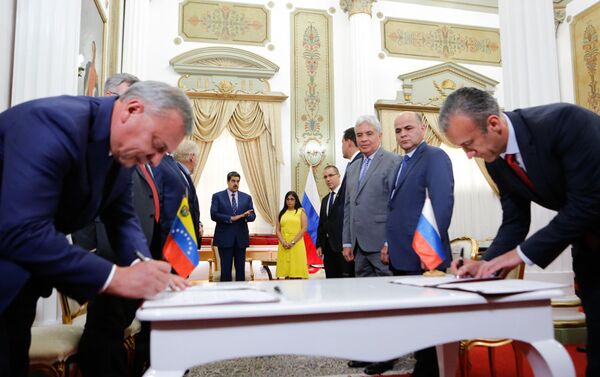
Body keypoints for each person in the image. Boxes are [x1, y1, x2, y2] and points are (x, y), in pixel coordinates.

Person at [0, 80, 193, 376]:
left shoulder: (119, 151)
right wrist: (116, 277)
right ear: (132, 109)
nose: (155, 160)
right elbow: (22, 230)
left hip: (20, 282)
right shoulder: (54, 125)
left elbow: (122, 217)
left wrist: (144, 265)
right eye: (156, 146)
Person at [439, 86, 600, 377]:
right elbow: (514, 221)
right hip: (590, 248)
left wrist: (520, 256)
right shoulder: (495, 161)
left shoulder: (565, 122)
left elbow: (587, 204)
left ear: (493, 124)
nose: (467, 154)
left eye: (468, 144)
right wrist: (487, 265)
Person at [74, 73, 166, 377]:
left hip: (132, 257)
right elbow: (84, 199)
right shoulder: (95, 139)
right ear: (111, 96)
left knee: (116, 331)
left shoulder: (131, 148)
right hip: (109, 257)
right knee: (103, 334)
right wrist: (90, 250)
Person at [382, 111, 454, 377]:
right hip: (401, 256)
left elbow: (441, 205)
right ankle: (423, 368)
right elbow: (396, 209)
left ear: (423, 129)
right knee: (414, 320)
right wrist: (389, 243)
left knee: (428, 324)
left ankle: (430, 372)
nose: (403, 134)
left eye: (408, 128)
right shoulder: (402, 163)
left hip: (424, 259)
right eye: (398, 130)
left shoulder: (435, 157)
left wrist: (429, 253)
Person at [342, 115, 400, 375]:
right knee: (365, 302)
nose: (363, 139)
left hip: (381, 245)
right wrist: (346, 240)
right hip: (358, 246)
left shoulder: (393, 162)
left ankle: (388, 355)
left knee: (386, 302)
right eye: (359, 135)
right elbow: (347, 207)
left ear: (379, 135)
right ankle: (368, 350)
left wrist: (391, 240)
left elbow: (396, 206)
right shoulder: (353, 167)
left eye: (368, 134)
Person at [210, 171, 256, 281]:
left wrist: (244, 216)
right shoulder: (217, 196)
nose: (236, 183)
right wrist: (230, 218)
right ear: (228, 181)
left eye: (238, 181)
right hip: (224, 239)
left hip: (241, 239)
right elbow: (214, 214)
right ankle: (225, 296)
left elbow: (253, 216)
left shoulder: (246, 197)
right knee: (225, 271)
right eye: (233, 181)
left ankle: (241, 295)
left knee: (240, 271)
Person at [316, 165, 352, 278]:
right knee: (330, 284)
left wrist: (348, 244)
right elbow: (322, 224)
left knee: (346, 285)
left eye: (331, 175)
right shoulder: (325, 200)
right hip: (328, 250)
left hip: (344, 249)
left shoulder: (348, 195)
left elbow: (350, 222)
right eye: (325, 177)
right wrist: (319, 244)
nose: (328, 179)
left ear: (339, 176)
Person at [173, 139, 202, 243]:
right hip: (180, 239)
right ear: (192, 157)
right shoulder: (177, 175)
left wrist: (198, 222)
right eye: (197, 157)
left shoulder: (182, 174)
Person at [275, 191, 309, 279]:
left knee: (297, 273)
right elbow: (277, 230)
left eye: (292, 199)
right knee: (286, 274)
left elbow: (304, 228)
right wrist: (283, 242)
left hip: (296, 244)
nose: (289, 201)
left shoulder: (301, 211)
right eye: (288, 199)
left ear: (296, 201)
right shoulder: (281, 213)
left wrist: (293, 242)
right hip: (284, 245)